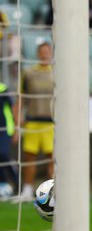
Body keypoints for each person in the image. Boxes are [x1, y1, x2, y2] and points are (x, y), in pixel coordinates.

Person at [14, 42, 54, 202]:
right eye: (42, 51)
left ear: (51, 53)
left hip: (51, 123)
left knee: (52, 158)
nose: (45, 54)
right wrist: (18, 121)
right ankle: (27, 190)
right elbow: (21, 97)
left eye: (47, 51)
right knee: (29, 156)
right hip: (33, 121)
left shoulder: (57, 72)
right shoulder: (29, 73)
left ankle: (51, 191)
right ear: (38, 53)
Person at [0, 82, 17, 200]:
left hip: (5, 129)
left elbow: (12, 108)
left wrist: (16, 128)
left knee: (3, 154)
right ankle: (3, 184)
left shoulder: (2, 88)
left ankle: (17, 182)